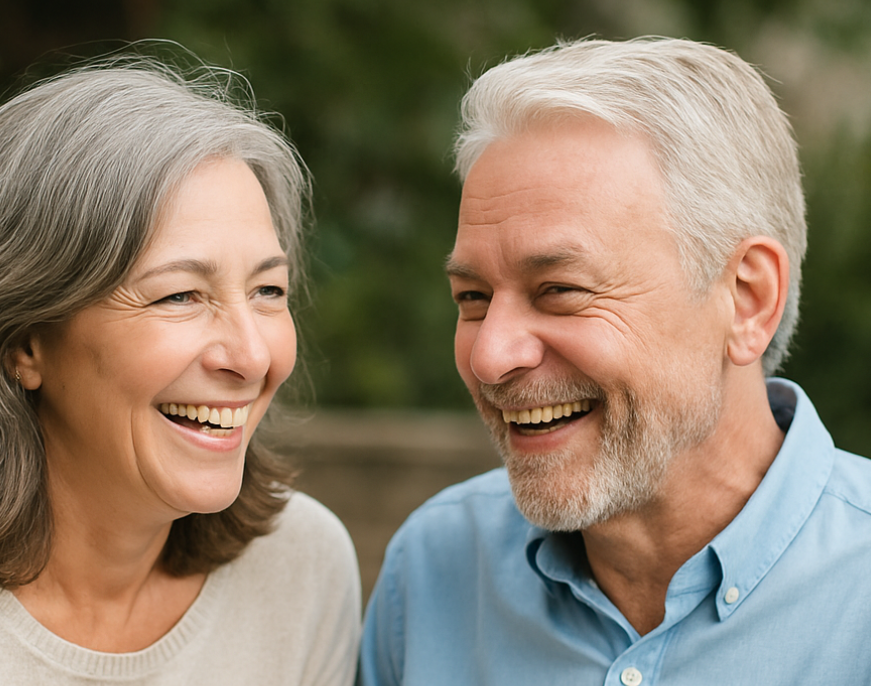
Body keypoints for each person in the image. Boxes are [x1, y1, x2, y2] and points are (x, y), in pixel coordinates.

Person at [359, 37, 871, 684]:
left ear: (747, 300)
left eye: (561, 291)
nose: (490, 356)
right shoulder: (432, 572)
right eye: (473, 297)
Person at [0, 60, 360, 684]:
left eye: (267, 289)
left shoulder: (301, 567)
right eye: (179, 296)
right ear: (23, 340)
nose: (253, 356)